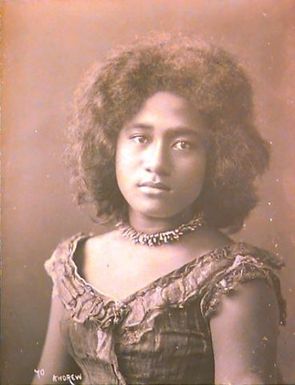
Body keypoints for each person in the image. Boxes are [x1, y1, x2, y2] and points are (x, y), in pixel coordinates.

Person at [33, 34, 286, 385]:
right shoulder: (73, 263)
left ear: (215, 160)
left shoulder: (234, 280)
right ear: (110, 146)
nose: (156, 163)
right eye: (140, 138)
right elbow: (49, 379)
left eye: (183, 144)